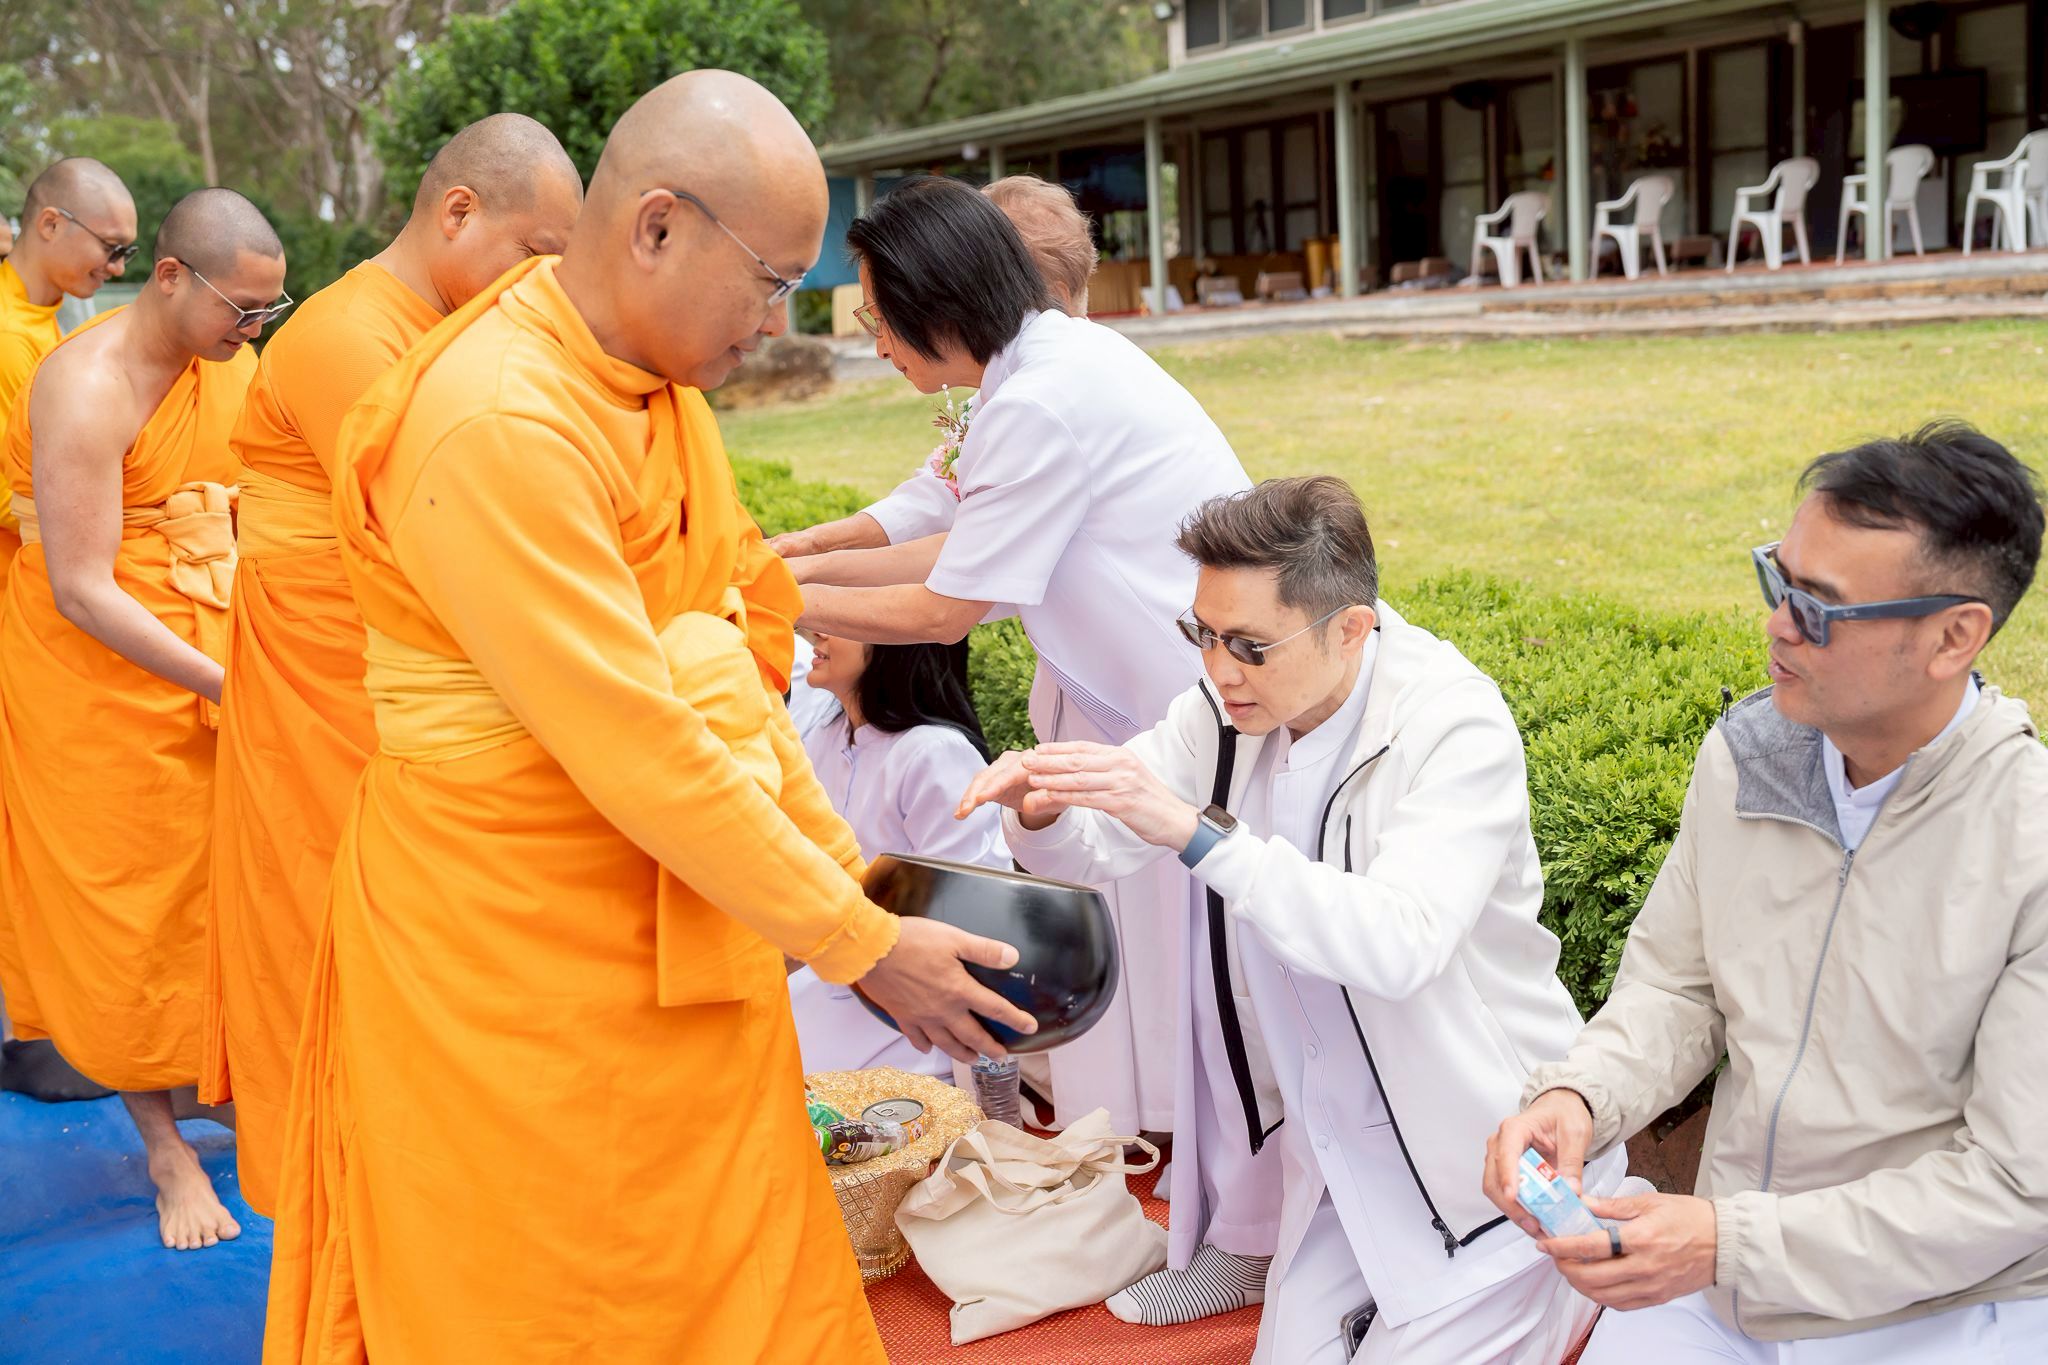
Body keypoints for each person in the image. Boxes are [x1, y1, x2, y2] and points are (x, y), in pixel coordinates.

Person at [260, 72, 1035, 1365]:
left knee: (718, 1280)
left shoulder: (658, 396)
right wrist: (853, 936)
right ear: (658, 227)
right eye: (771, 280)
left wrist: (861, 889)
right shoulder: (499, 419)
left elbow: (732, 673)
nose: (783, 321)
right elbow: (637, 735)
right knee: (541, 1299)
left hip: (675, 938)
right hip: (511, 959)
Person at [961, 476, 1624, 1360]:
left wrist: (1198, 834)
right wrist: (1041, 811)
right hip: (1338, 1166)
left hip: (1486, 1155)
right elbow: (1095, 849)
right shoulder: (1225, 708)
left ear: (1353, 625)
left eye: (1248, 645)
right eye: (1201, 634)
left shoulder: (1453, 722)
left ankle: (1579, 1259)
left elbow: (1400, 942)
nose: (1219, 668)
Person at [1484, 422, 2048, 1361]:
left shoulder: (2030, 839)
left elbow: (2015, 1186)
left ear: (1956, 636)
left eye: (1819, 607)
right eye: (1776, 580)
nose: (1778, 624)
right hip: (1723, 1290)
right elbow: (1679, 985)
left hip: (1944, 1311)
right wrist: (1582, 1096)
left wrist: (1727, 1241)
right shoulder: (1750, 756)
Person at [796, 175, 1252, 1141]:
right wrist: (787, 561)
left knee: (1210, 976)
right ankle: (1153, 1151)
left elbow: (948, 603)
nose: (874, 344)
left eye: (882, 320)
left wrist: (767, 592)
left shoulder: (1040, 399)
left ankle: (1224, 1209)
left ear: (938, 306)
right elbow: (952, 540)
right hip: (1140, 700)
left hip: (1192, 708)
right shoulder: (1033, 375)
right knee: (1152, 962)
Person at [201, 113, 582, 1219]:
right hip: (326, 696)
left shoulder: (453, 326)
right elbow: (449, 519)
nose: (543, 287)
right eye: (534, 256)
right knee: (339, 961)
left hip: (398, 687)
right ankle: (360, 1234)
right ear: (457, 213)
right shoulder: (341, 336)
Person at [0, 188, 286, 1251]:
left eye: (268, 309)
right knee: (126, 910)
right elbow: (82, 587)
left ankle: (221, 1082)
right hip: (96, 674)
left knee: (225, 890)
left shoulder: (231, 367)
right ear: (169, 277)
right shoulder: (84, 385)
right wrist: (230, 687)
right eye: (240, 308)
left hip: (216, 643)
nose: (252, 328)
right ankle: (163, 1147)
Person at [765, 172, 1096, 562]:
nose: (881, 348)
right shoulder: (1007, 381)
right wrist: (813, 546)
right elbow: (939, 495)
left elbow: (959, 583)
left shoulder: (1038, 399)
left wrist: (803, 578)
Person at [787, 631, 1009, 1076]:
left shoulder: (933, 752)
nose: (815, 631)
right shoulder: (821, 740)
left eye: (842, 619)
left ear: (893, 641)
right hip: (819, 982)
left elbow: (964, 907)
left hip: (907, 1010)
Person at [0, 159, 137, 589]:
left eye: (125, 253)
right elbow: (13, 490)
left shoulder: (44, 316)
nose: (118, 268)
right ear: (51, 225)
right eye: (110, 248)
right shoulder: (8, 333)